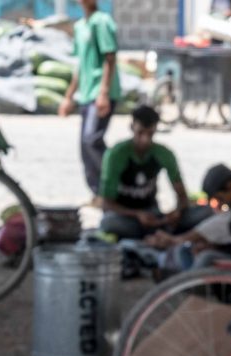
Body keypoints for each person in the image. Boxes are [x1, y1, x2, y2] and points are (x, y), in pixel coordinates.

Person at [97, 106, 211, 239]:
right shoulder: (116, 155)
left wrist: (177, 212)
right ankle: (158, 232)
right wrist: (136, 214)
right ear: (132, 127)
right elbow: (105, 203)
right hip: (125, 215)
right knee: (108, 223)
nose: (145, 140)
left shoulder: (164, 154)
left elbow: (182, 196)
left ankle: (159, 230)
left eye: (150, 134)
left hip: (153, 214)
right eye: (140, 133)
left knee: (206, 212)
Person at [58, 0, 123, 199]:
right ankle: (99, 193)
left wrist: (103, 93)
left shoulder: (102, 22)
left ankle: (118, 181)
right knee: (84, 148)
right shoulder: (80, 26)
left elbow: (110, 58)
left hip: (102, 93)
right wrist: (69, 96)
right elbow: (81, 65)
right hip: (87, 93)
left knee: (91, 140)